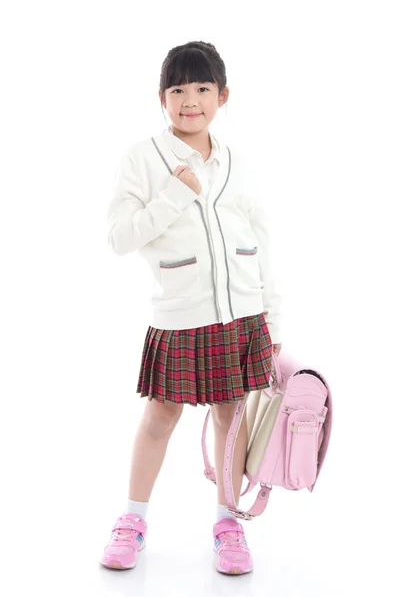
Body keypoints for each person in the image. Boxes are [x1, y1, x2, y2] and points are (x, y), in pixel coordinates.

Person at [100, 40, 283, 575]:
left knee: (231, 414)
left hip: (242, 313)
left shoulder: (238, 163)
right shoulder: (143, 158)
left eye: (203, 88)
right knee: (161, 415)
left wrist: (272, 317)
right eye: (178, 89)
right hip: (180, 313)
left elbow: (262, 240)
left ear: (223, 96)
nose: (190, 100)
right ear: (162, 97)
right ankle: (132, 520)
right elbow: (117, 237)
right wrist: (176, 196)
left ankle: (228, 523)